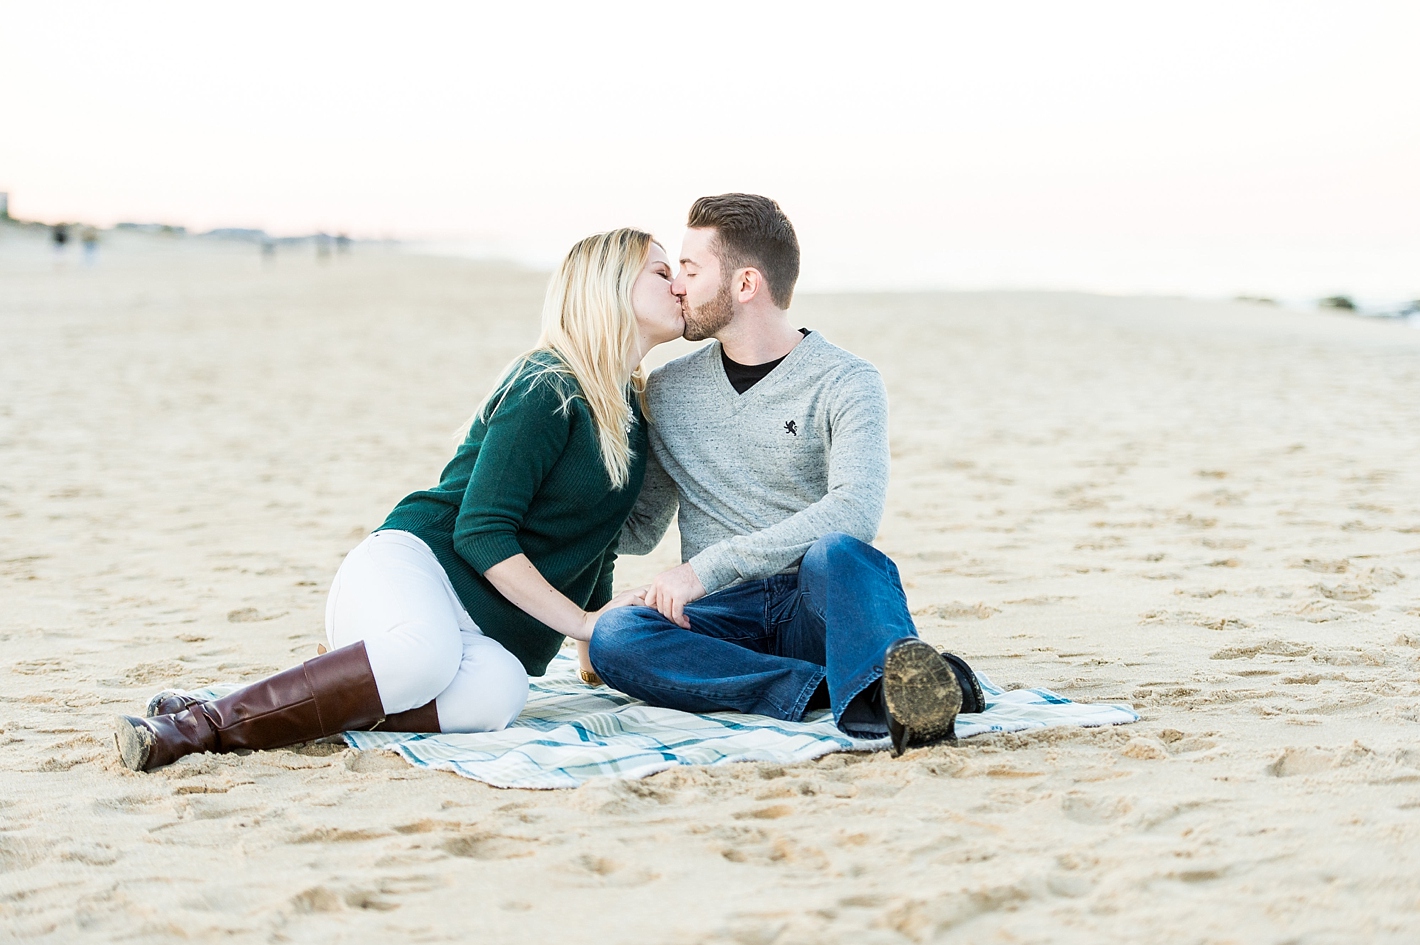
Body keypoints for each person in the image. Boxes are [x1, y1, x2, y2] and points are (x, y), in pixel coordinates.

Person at [114, 228, 685, 771]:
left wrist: (594, 642)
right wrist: (583, 623)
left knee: (499, 697)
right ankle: (195, 728)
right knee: (422, 657)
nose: (679, 284)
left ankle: (334, 697)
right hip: (416, 568)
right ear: (608, 287)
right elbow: (481, 531)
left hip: (480, 632)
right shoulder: (548, 384)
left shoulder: (631, 410)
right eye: (662, 272)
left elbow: (597, 541)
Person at [588, 195, 983, 756]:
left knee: (843, 553)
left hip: (815, 604)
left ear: (745, 284)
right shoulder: (669, 390)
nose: (677, 285)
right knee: (617, 637)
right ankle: (862, 690)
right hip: (720, 619)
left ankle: (879, 688)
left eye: (691, 270)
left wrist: (702, 570)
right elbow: (641, 526)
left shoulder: (847, 381)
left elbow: (856, 511)